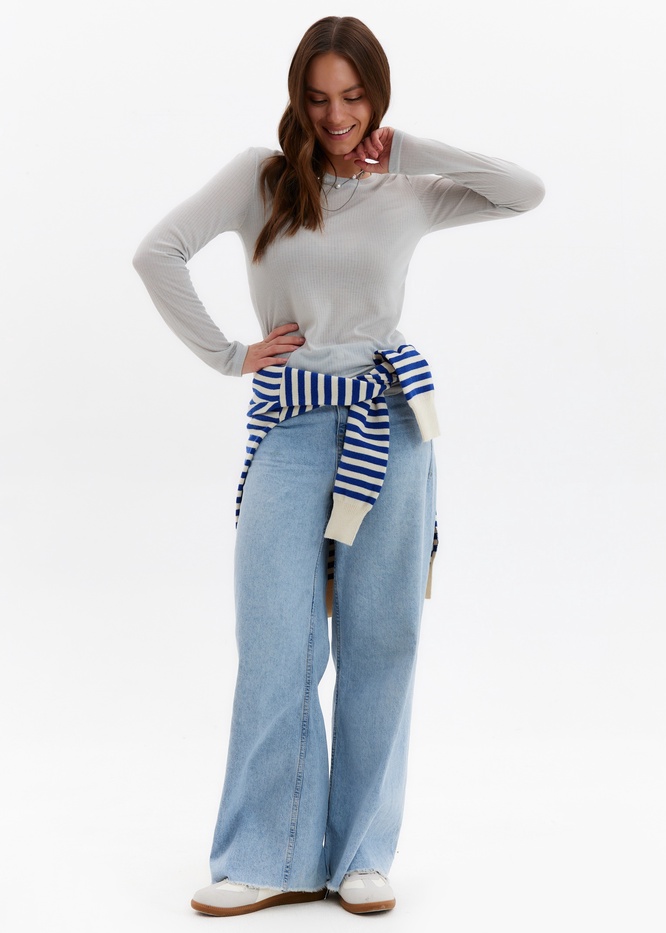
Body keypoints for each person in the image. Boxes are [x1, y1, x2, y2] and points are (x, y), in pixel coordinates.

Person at [133, 15, 544, 917]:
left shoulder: (409, 189)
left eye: (353, 97)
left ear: (377, 96)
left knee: (383, 638)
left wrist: (409, 149)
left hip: (389, 424)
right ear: (297, 97)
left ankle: (362, 853)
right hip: (290, 426)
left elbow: (525, 191)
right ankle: (267, 854)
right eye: (319, 98)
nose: (335, 116)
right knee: (276, 641)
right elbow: (156, 252)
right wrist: (230, 355)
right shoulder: (260, 178)